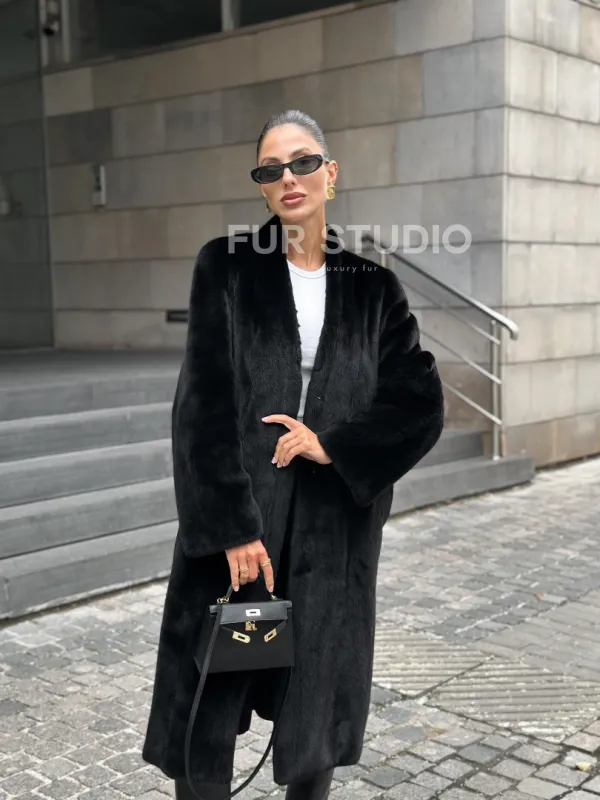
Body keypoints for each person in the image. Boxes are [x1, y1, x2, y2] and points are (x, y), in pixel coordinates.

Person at [142, 109, 445, 800]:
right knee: (206, 715)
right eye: (271, 168)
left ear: (330, 174)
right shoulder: (226, 266)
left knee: (314, 718)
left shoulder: (373, 286)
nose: (289, 177)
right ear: (262, 186)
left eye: (304, 162)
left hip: (331, 532)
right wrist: (230, 526)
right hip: (242, 526)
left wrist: (333, 444)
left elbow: (420, 403)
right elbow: (201, 403)